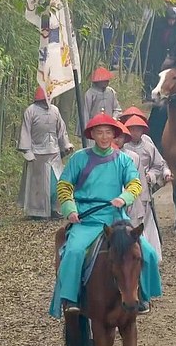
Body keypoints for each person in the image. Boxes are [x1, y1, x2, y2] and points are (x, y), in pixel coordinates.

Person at [49, 113, 162, 317]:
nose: (104, 137)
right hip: (87, 218)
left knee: (148, 252)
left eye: (108, 132)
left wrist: (124, 197)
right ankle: (72, 298)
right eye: (99, 132)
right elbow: (64, 185)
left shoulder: (123, 160)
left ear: (114, 135)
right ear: (92, 134)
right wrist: (70, 209)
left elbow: (134, 183)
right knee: (74, 251)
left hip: (116, 218)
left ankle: (143, 294)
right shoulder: (79, 158)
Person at [17, 87, 74, 219]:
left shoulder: (55, 110)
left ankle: (55, 209)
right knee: (38, 186)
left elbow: (61, 130)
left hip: (54, 152)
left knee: (56, 182)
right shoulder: (30, 111)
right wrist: (27, 151)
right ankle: (37, 212)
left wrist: (65, 145)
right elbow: (25, 131)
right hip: (37, 154)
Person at [122, 116, 171, 261]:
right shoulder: (123, 151)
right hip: (125, 191)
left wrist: (151, 175)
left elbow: (159, 164)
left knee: (147, 223)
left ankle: (152, 254)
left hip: (144, 190)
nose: (135, 132)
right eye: (132, 129)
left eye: (138, 129)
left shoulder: (148, 146)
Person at [140, 5, 176, 101]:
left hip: (170, 54)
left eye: (173, 20)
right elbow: (151, 40)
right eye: (170, 19)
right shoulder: (158, 25)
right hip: (156, 52)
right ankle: (148, 92)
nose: (171, 22)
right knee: (152, 72)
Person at [80, 67, 121, 135]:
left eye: (107, 80)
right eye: (104, 80)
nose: (106, 82)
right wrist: (86, 129)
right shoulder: (90, 93)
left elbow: (117, 109)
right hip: (94, 126)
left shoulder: (111, 92)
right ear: (97, 81)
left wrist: (114, 119)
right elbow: (85, 113)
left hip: (109, 125)